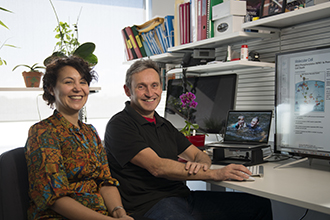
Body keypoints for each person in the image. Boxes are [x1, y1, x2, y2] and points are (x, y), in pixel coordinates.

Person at [104, 59, 273, 220]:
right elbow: (157, 167)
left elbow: (199, 155)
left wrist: (202, 164)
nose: (150, 93)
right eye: (141, 87)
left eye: (154, 85)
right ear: (128, 91)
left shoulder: (163, 124)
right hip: (150, 204)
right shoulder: (120, 125)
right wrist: (215, 173)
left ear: (160, 87)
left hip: (183, 197)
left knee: (259, 206)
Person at [24, 56, 134, 220]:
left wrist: (119, 213)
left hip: (101, 214)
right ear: (51, 89)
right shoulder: (43, 132)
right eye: (69, 82)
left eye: (83, 82)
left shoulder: (90, 132)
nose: (78, 88)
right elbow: (55, 197)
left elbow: (105, 182)